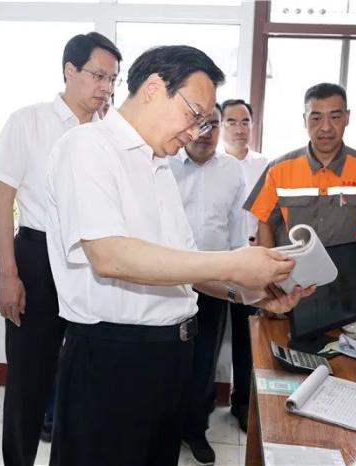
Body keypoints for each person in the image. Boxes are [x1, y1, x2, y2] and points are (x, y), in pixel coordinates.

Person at [44, 45, 313, 466]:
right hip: (114, 359)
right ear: (154, 88)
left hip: (169, 357)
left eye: (205, 121)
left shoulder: (158, 165)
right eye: (195, 114)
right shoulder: (87, 147)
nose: (196, 132)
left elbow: (183, 266)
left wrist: (251, 294)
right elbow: (109, 255)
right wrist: (233, 262)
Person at [0, 32, 121, 466]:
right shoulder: (28, 122)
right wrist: (8, 275)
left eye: (112, 79)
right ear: (69, 70)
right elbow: (2, 203)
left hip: (94, 262)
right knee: (28, 379)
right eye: (98, 75)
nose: (106, 87)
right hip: (38, 258)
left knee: (86, 379)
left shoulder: (110, 133)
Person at [245, 83, 356, 319]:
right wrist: (272, 284)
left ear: (347, 117)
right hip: (291, 290)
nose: (326, 127)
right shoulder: (278, 170)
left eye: (335, 117)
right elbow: (264, 225)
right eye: (316, 118)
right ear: (304, 120)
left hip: (346, 292)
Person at [169, 104, 245, 465]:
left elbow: (237, 231)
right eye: (200, 125)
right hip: (169, 281)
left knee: (204, 360)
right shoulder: (165, 165)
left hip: (214, 282)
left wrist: (236, 278)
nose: (206, 133)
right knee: (169, 359)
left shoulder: (231, 170)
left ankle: (195, 430)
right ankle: (166, 430)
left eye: (213, 125)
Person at [219, 98, 268, 431]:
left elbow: (270, 216)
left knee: (246, 337)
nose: (239, 129)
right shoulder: (212, 163)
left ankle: (243, 405)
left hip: (250, 262)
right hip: (214, 261)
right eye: (232, 122)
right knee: (207, 338)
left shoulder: (265, 165)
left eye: (245, 121)